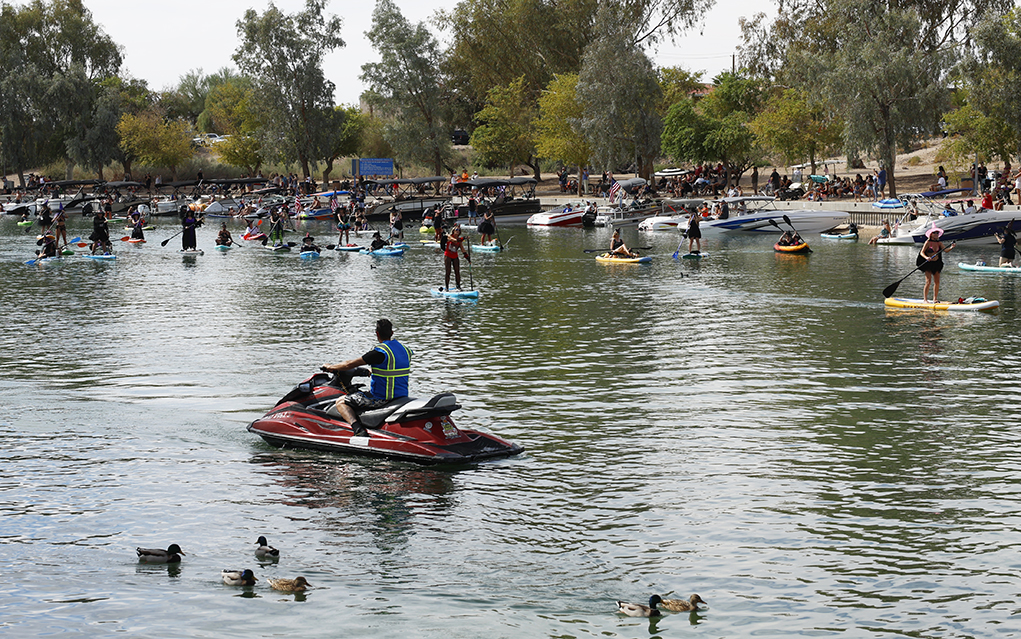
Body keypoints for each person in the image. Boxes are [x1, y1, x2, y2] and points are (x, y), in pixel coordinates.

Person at [322, 318, 412, 436]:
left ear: (377, 333)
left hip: (381, 397)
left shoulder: (380, 352)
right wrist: (372, 371)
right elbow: (394, 368)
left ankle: (358, 430)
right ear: (392, 333)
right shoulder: (405, 350)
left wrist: (331, 367)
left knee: (341, 401)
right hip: (401, 395)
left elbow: (350, 364)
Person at [917, 227, 954, 303]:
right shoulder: (927, 242)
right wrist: (926, 257)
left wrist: (951, 247)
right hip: (928, 264)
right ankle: (925, 299)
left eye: (937, 233)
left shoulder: (939, 243)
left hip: (936, 263)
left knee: (937, 282)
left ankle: (935, 299)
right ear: (931, 234)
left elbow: (946, 250)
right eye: (935, 233)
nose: (937, 234)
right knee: (928, 281)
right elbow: (922, 252)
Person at [442, 225, 469, 291]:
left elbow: (463, 249)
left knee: (457, 272)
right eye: (456, 230)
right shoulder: (449, 236)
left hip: (455, 256)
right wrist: (464, 238)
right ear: (453, 231)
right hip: (447, 256)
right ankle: (447, 287)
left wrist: (468, 258)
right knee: (448, 272)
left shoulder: (459, 240)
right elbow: (454, 240)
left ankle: (458, 286)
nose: (457, 231)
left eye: (459, 230)